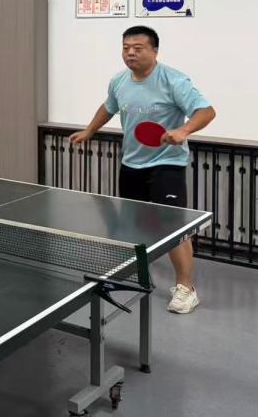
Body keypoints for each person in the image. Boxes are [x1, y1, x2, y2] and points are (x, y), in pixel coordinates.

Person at [70, 25, 215, 314]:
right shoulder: (119, 81)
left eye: (138, 48)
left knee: (173, 228)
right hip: (131, 163)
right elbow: (108, 107)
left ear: (154, 51)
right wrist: (89, 130)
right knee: (132, 225)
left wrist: (184, 130)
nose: (130, 53)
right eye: (126, 48)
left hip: (167, 164)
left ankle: (186, 289)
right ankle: (138, 277)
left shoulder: (173, 80)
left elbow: (206, 111)